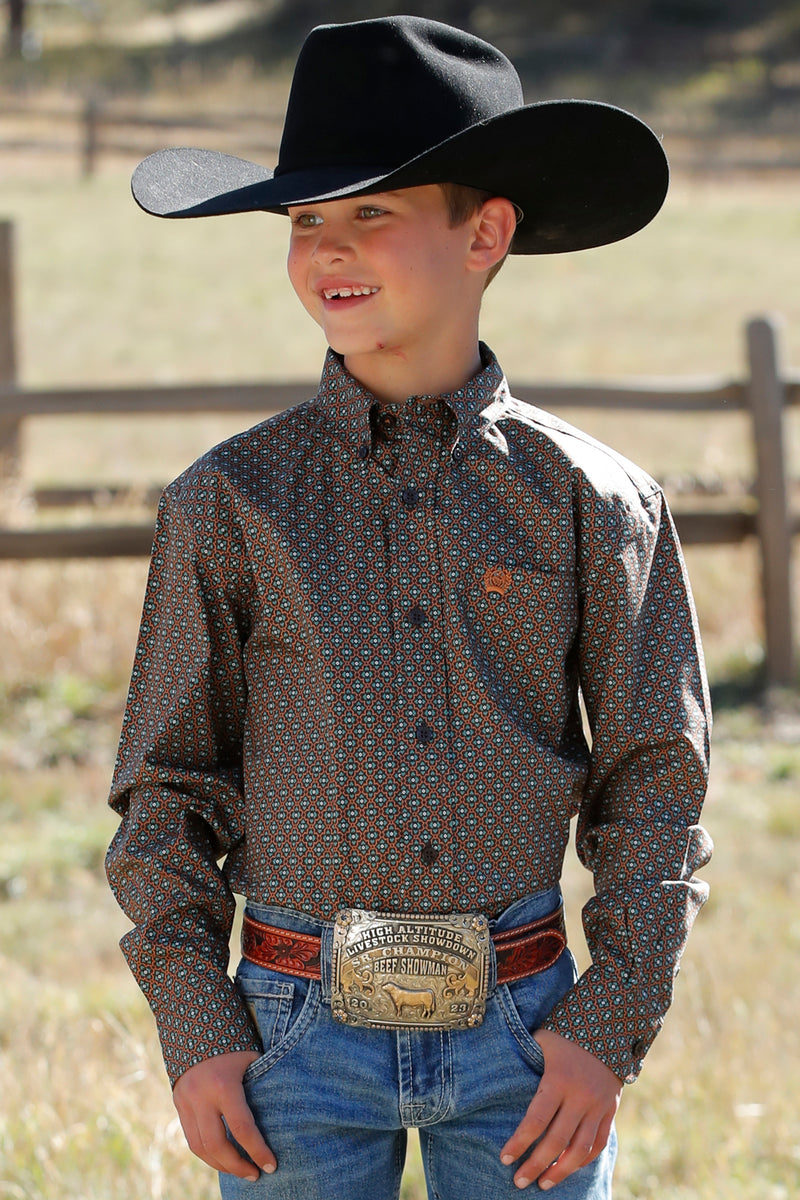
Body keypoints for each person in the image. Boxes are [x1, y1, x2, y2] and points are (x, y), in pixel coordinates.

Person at [106, 15, 712, 1200]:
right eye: (302, 220)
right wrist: (197, 1030)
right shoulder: (228, 501)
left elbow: (654, 779)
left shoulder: (593, 500)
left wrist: (605, 1027)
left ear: (484, 232)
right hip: (288, 1036)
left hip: (527, 1039)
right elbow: (166, 785)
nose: (326, 246)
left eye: (369, 212)